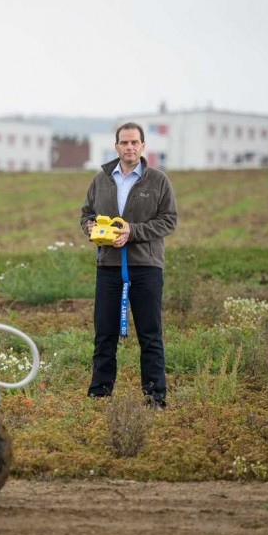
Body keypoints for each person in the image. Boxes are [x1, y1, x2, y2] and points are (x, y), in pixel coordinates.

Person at [80, 122, 177, 408]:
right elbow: (86, 214)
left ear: (143, 146)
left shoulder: (158, 181)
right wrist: (91, 229)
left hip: (146, 267)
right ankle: (99, 394)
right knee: (104, 334)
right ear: (116, 146)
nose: (130, 147)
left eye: (135, 142)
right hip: (108, 267)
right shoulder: (101, 180)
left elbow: (168, 221)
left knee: (150, 335)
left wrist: (132, 232)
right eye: (124, 143)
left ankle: (155, 397)